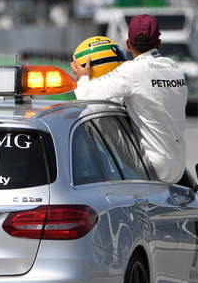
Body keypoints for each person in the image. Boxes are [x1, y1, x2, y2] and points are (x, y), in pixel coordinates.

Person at [71, 14, 188, 184]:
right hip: (178, 169)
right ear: (158, 43)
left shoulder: (132, 70)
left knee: (100, 107)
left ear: (127, 44)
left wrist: (83, 77)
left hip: (154, 169)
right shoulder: (174, 67)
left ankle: (91, 165)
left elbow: (86, 94)